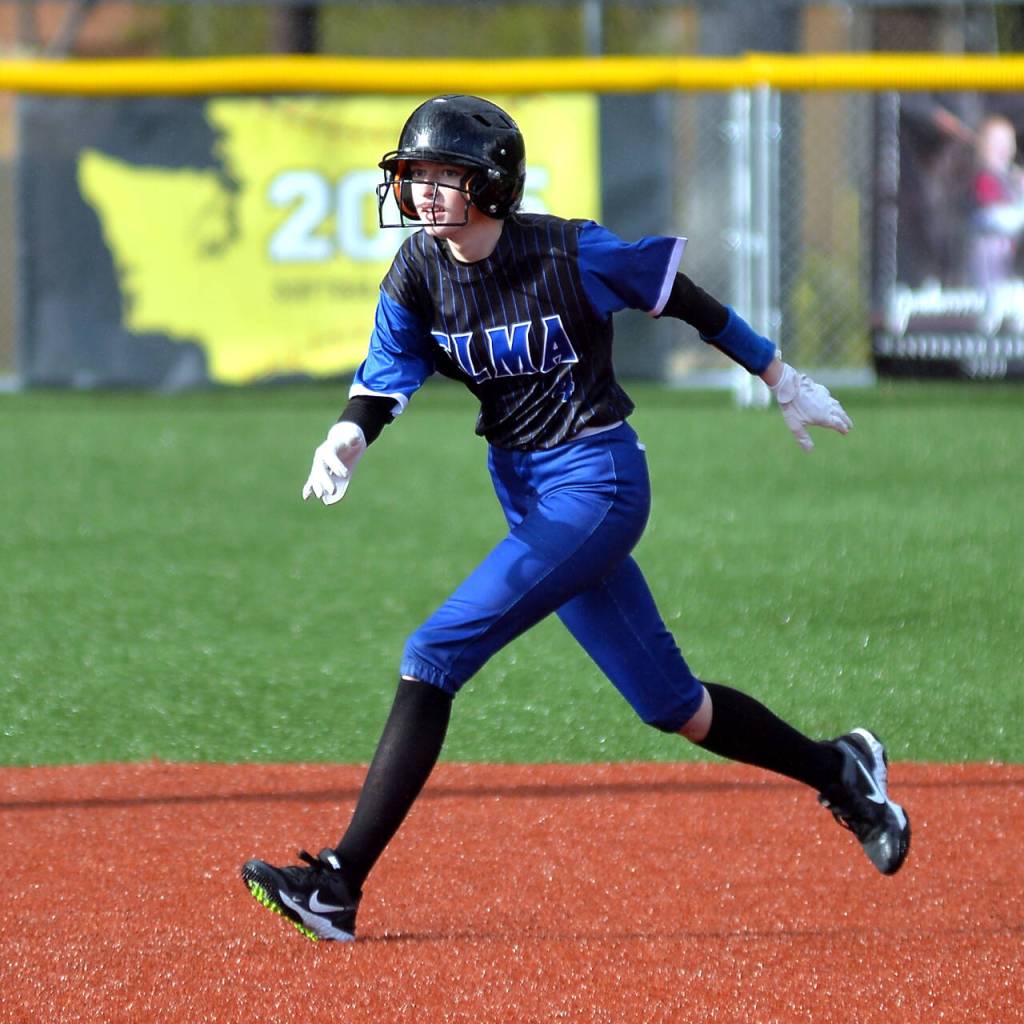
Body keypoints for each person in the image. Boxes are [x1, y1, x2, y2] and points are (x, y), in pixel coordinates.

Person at [241, 95, 910, 943]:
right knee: (674, 705)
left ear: (493, 183)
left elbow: (685, 300)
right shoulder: (418, 269)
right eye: (417, 174)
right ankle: (843, 772)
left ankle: (337, 884)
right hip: (524, 488)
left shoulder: (566, 249)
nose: (425, 190)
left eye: (448, 175)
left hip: (597, 481)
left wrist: (779, 375)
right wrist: (347, 437)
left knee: (433, 653)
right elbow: (385, 375)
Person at [966, 114, 1024, 292]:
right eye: (996, 143)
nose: (1003, 149)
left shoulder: (1011, 178)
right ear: (982, 147)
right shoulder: (984, 179)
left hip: (1010, 254)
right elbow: (994, 217)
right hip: (989, 255)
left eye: (1008, 143)